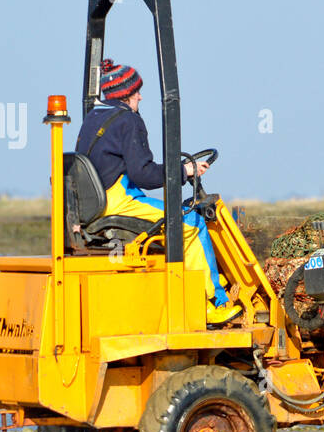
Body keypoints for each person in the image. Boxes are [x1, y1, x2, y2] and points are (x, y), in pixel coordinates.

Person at [76, 58, 240, 323]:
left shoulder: (95, 116)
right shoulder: (128, 121)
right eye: (136, 92)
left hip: (97, 201)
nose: (140, 97)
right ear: (126, 94)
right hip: (117, 201)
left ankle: (194, 283)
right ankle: (213, 304)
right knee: (192, 222)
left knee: (175, 217)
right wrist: (184, 170)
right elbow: (144, 175)